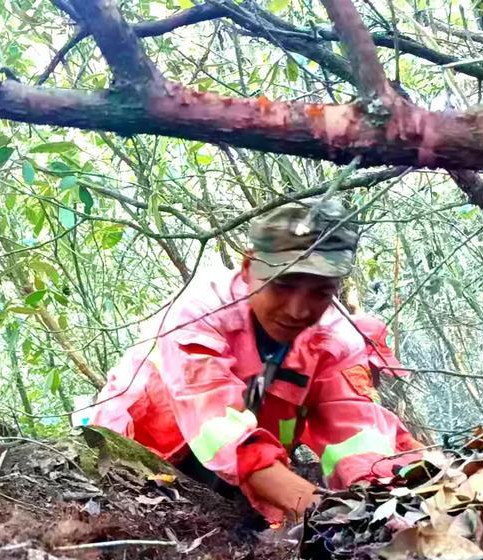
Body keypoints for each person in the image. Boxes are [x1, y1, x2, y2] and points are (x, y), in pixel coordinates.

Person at [89, 201, 423, 524]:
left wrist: (382, 500)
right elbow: (215, 424)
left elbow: (354, 431)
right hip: (136, 456)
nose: (297, 310)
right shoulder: (202, 309)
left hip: (242, 477)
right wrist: (316, 508)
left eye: (320, 292)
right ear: (249, 267)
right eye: (284, 285)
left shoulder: (336, 339)